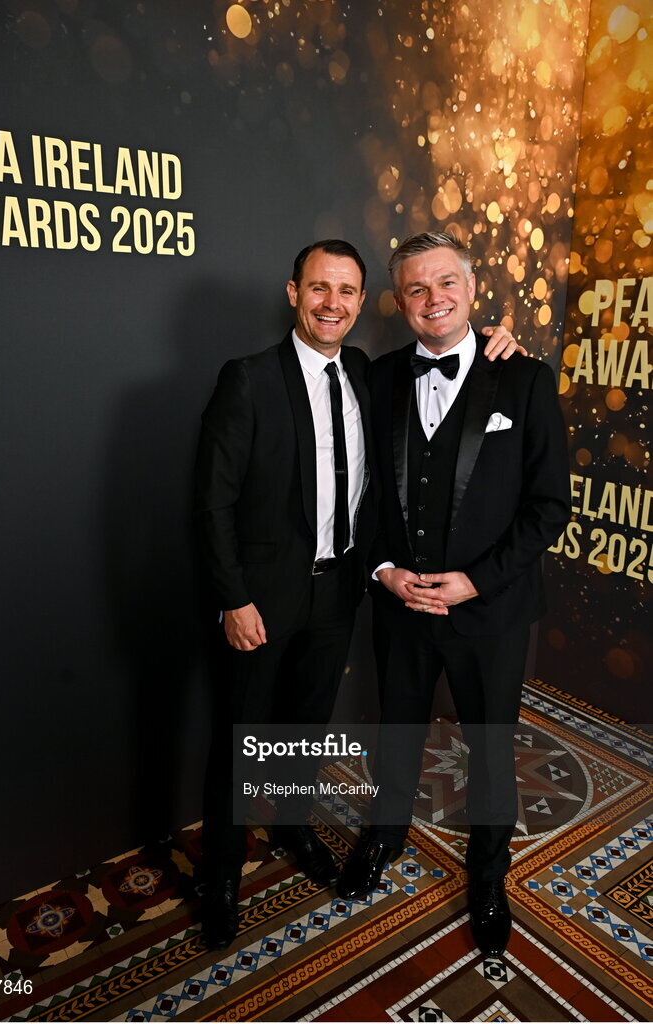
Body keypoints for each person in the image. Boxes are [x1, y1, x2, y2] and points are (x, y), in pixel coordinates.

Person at [194, 238, 519, 949]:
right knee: (243, 737)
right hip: (263, 599)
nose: (332, 304)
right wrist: (233, 597)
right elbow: (210, 501)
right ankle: (219, 876)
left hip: (339, 592)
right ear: (293, 294)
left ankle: (289, 828)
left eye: (346, 292)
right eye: (319, 289)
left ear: (364, 302)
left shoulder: (370, 375)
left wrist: (496, 332)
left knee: (303, 728)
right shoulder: (247, 379)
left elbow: (459, 375)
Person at [336, 231, 570, 958]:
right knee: (397, 729)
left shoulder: (525, 380)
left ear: (471, 290)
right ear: (401, 302)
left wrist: (475, 581)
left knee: (492, 750)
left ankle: (489, 877)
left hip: (490, 612)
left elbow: (547, 509)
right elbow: (361, 492)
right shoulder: (374, 378)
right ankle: (386, 836)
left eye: (447, 284)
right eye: (416, 289)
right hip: (401, 605)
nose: (433, 299)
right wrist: (382, 571)